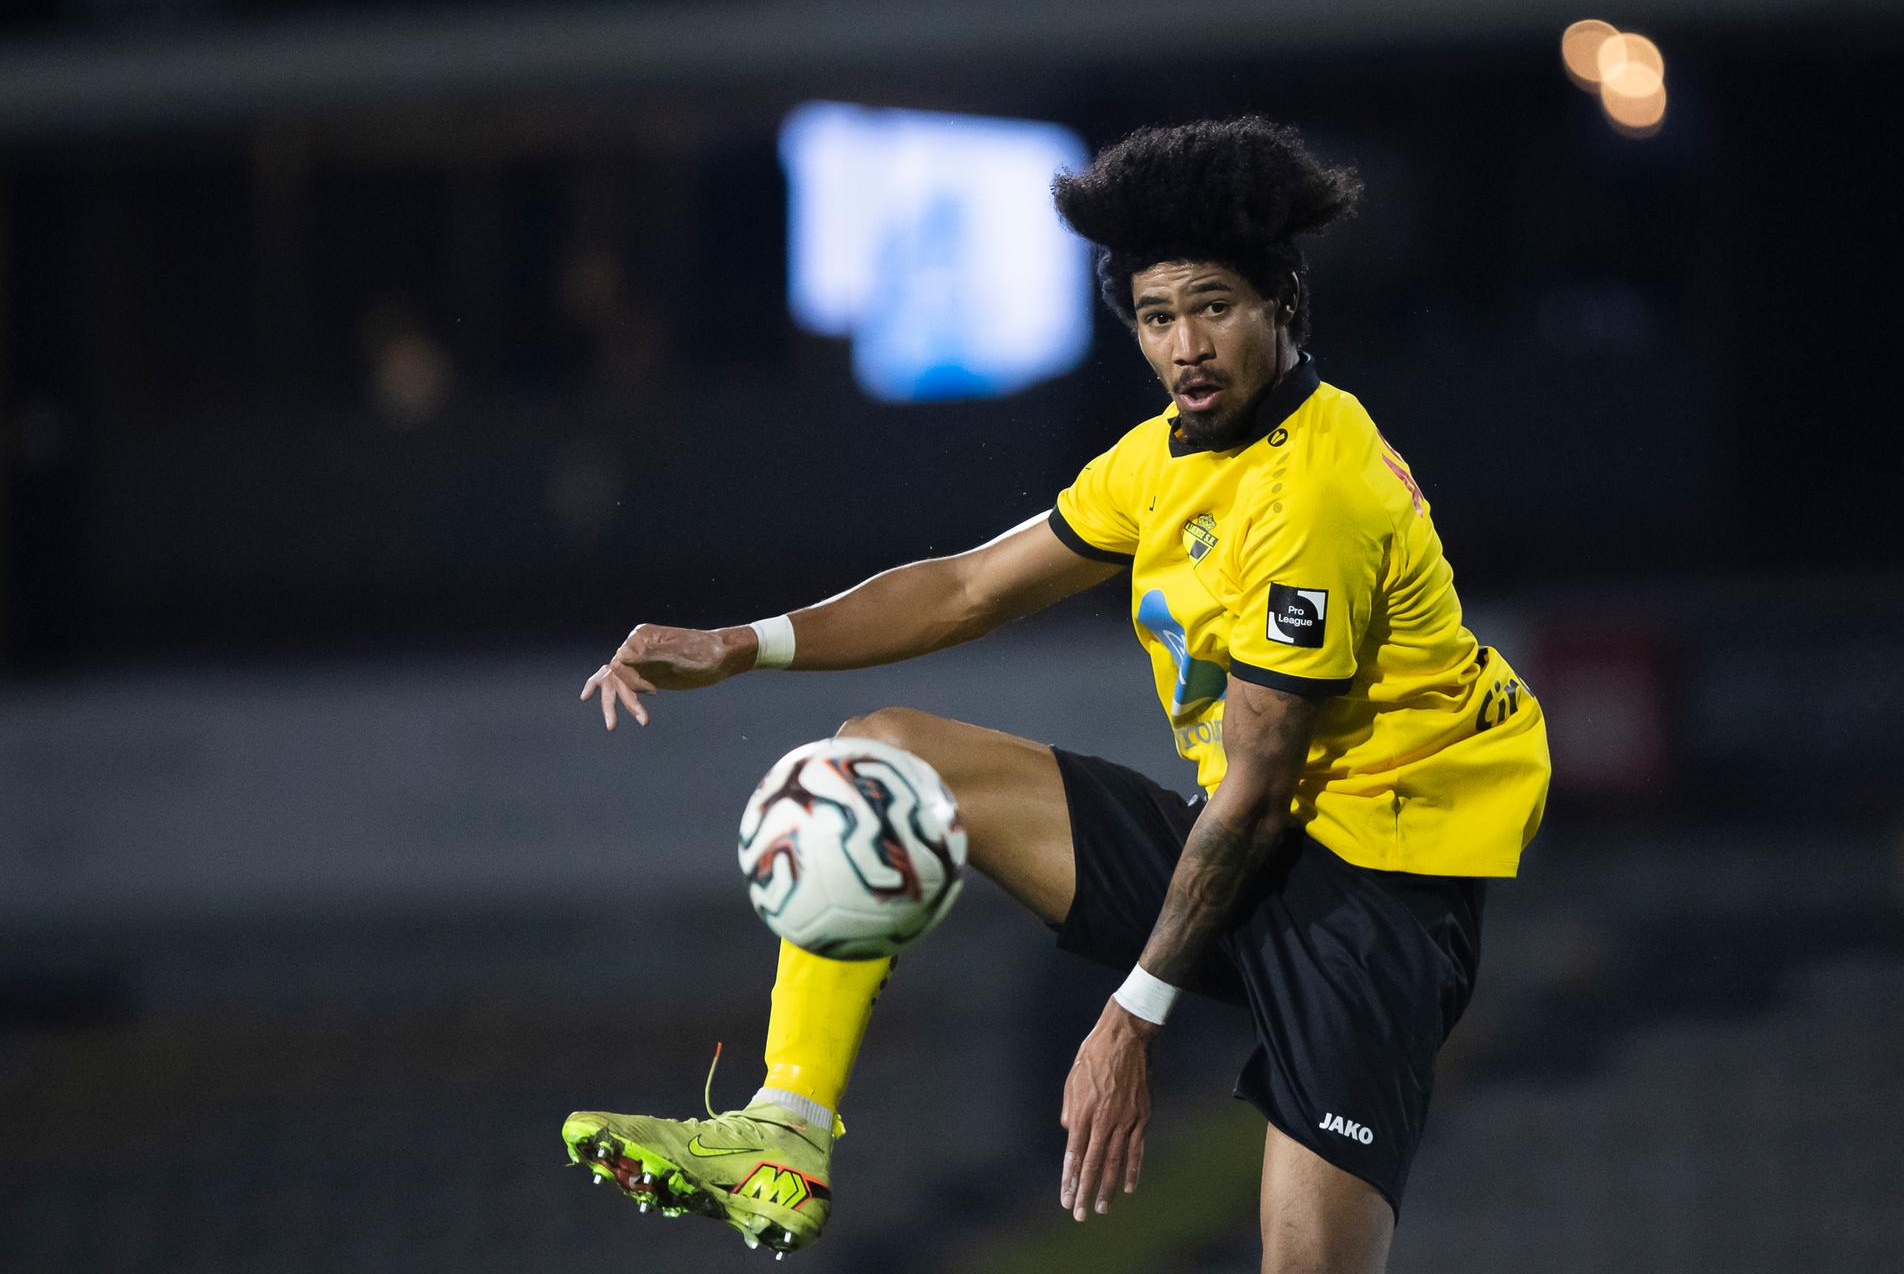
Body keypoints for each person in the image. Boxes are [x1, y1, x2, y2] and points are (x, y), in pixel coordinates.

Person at [561, 115, 1550, 1273]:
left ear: (1284, 300)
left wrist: (1130, 1017)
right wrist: (743, 643)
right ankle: (784, 1130)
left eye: (1214, 306)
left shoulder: (1316, 496)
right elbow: (968, 585)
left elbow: (1259, 789)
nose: (1186, 345)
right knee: (877, 760)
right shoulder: (1165, 456)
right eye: (1157, 316)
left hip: (1372, 904)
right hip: (1263, 844)